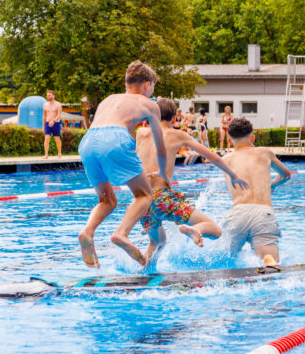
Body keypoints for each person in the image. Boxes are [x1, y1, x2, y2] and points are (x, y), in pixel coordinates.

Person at [77, 60, 171, 269]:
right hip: (114, 139)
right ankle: (122, 233)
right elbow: (161, 148)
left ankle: (88, 231)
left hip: (87, 143)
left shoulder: (108, 100)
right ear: (147, 85)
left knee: (107, 200)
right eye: (153, 87)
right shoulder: (149, 104)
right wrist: (164, 174)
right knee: (144, 195)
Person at [136, 98, 249, 261]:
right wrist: (233, 175)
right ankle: (194, 230)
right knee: (215, 230)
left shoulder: (141, 133)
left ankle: (144, 271)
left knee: (157, 242)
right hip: (163, 199)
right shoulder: (177, 135)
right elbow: (212, 157)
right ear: (175, 118)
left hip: (142, 201)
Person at [221, 118, 291, 270]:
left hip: (237, 214)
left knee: (225, 260)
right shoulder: (264, 153)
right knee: (273, 266)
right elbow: (286, 175)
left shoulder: (225, 160)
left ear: (229, 139)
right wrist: (273, 184)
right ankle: (268, 258)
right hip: (263, 214)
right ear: (252, 138)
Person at [43, 90, 63, 159]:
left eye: (49, 95)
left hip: (56, 123)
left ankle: (59, 153)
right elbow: (44, 116)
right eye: (47, 95)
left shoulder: (58, 104)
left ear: (53, 96)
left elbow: (59, 115)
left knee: (57, 139)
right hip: (47, 123)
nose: (48, 96)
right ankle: (46, 155)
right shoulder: (45, 105)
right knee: (46, 138)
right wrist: (43, 125)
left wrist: (53, 121)